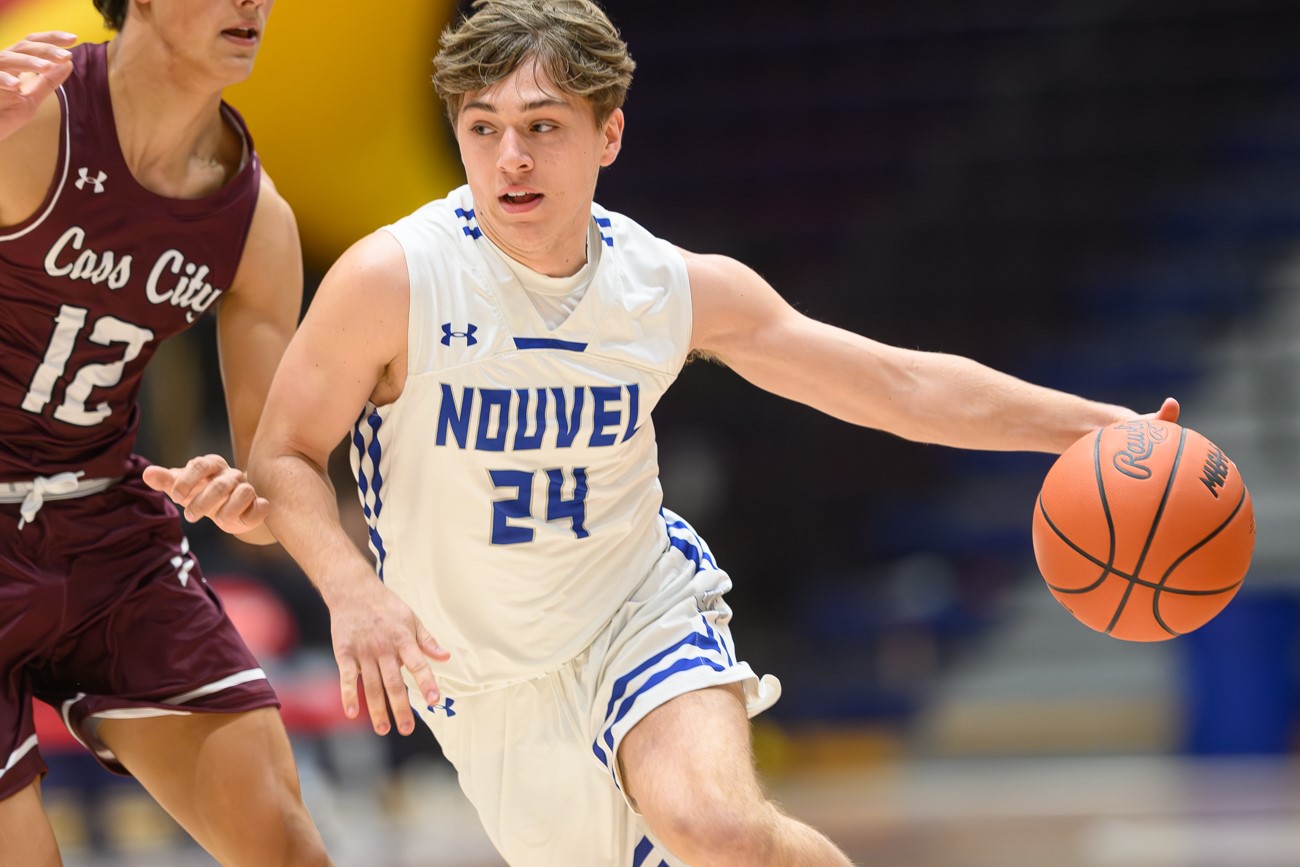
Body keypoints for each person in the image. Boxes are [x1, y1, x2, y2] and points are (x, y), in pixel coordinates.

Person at [248, 1, 1181, 865]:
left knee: (718, 826)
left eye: (541, 126)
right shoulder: (393, 280)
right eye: (482, 128)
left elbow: (893, 381)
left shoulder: (665, 287)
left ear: (608, 133)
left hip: (633, 609)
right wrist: (353, 591)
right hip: (481, 681)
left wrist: (1094, 425)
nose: (509, 160)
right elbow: (284, 452)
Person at [0, 2, 332, 865]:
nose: (251, 4)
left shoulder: (257, 221)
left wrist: (243, 504)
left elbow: (275, 484)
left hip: (107, 529)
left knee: (287, 849)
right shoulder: (27, 112)